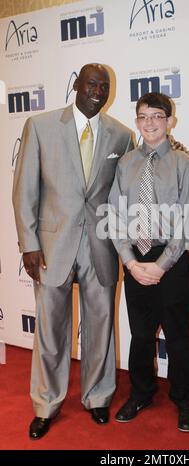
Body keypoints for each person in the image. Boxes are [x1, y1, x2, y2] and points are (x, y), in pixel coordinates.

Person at [12, 63, 135, 439]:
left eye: (104, 86)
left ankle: (98, 397)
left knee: (101, 328)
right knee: (51, 331)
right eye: (91, 84)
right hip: (52, 247)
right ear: (77, 85)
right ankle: (46, 403)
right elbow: (24, 191)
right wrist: (29, 244)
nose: (97, 91)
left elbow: (123, 193)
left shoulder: (121, 135)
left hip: (100, 247)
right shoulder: (41, 126)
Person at [108, 92, 189, 432]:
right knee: (141, 334)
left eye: (158, 116)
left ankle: (184, 398)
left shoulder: (183, 164)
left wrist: (162, 264)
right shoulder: (125, 164)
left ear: (170, 121)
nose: (150, 122)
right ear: (136, 122)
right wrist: (131, 263)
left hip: (171, 260)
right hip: (135, 259)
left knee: (177, 335)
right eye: (143, 116)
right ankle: (142, 392)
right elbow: (115, 216)